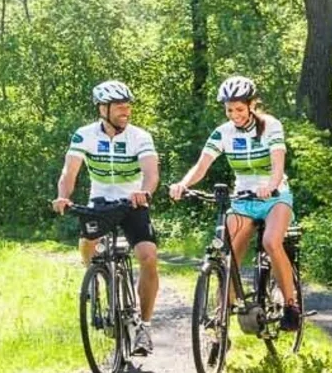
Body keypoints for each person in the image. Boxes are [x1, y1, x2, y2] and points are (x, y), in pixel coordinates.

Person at [165, 76, 302, 331]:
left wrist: (270, 186)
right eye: (229, 110)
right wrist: (183, 184)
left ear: (252, 105)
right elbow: (202, 165)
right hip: (242, 199)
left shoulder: (270, 126)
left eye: (239, 109)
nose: (234, 115)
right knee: (229, 256)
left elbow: (277, 165)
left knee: (271, 242)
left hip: (274, 197)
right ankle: (221, 318)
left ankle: (291, 305)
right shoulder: (223, 133)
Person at [53, 80, 161, 356]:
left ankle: (144, 328)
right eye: (120, 107)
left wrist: (145, 192)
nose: (126, 111)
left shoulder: (140, 137)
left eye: (128, 106)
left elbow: (151, 173)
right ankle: (96, 275)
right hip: (100, 202)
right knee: (88, 240)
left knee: (148, 256)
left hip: (132, 202)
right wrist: (64, 196)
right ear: (103, 109)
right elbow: (69, 172)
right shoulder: (85, 135)